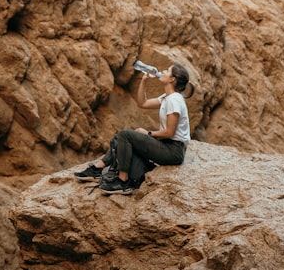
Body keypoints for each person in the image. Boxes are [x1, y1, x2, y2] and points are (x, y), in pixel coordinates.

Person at [74, 62, 194, 194]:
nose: (163, 71)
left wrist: (147, 133)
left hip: (173, 151)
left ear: (172, 79)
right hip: (166, 145)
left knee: (126, 136)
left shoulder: (174, 100)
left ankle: (123, 181)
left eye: (167, 70)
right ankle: (98, 168)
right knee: (119, 138)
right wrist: (144, 81)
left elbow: (169, 133)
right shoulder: (167, 97)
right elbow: (143, 103)